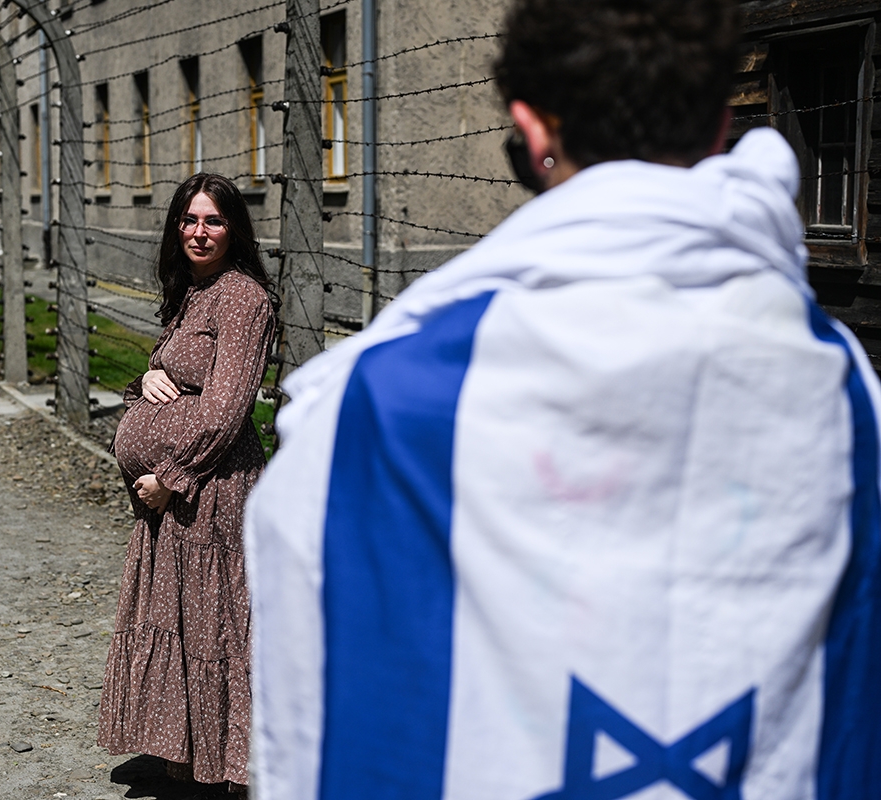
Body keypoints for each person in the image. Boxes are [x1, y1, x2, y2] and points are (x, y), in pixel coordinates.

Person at [245, 1, 881, 798]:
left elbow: (325, 693)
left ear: (532, 130)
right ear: (722, 125)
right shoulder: (844, 392)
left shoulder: (383, 403)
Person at [98, 173, 276, 792]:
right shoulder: (191, 292)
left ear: (235, 229)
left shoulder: (244, 299)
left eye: (214, 221)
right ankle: (186, 756)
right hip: (172, 501)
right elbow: (174, 374)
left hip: (209, 493)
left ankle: (229, 767)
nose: (200, 233)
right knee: (179, 624)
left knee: (215, 630)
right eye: (190, 221)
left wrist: (170, 479)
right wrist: (143, 380)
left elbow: (227, 412)